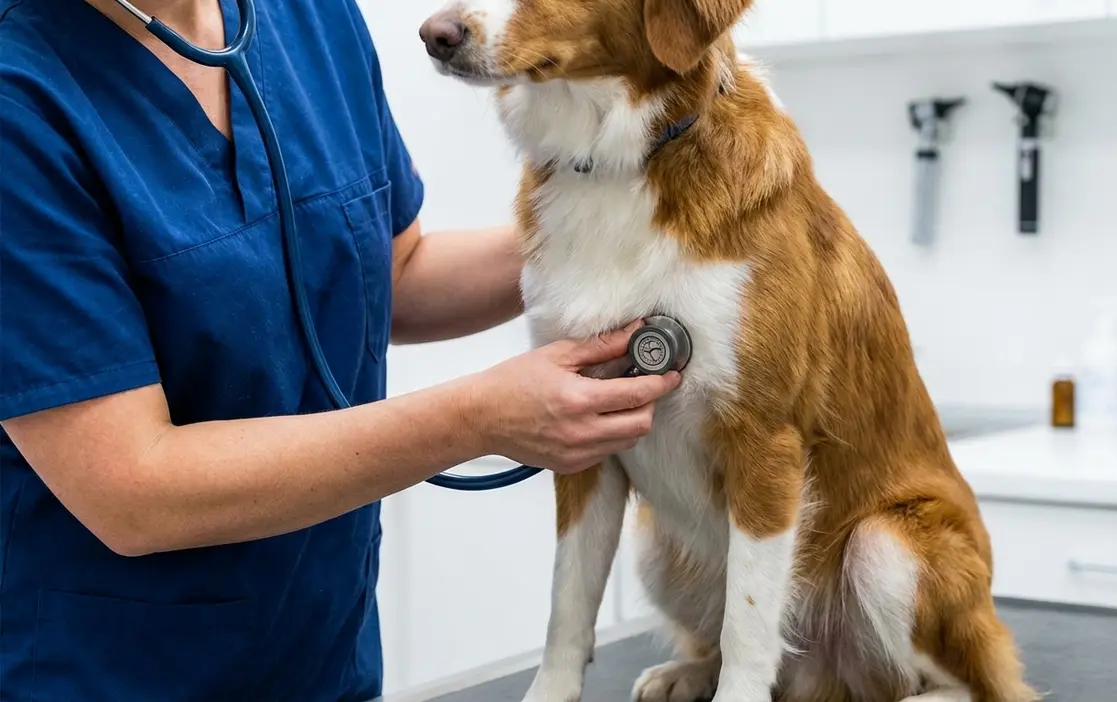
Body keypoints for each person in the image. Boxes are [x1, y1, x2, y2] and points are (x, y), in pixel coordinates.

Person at [0, 0, 681, 700]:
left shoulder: (307, 18)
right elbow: (133, 492)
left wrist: (634, 232)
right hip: (116, 674)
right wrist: (476, 417)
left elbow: (396, 272)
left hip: (327, 655)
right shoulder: (20, 98)